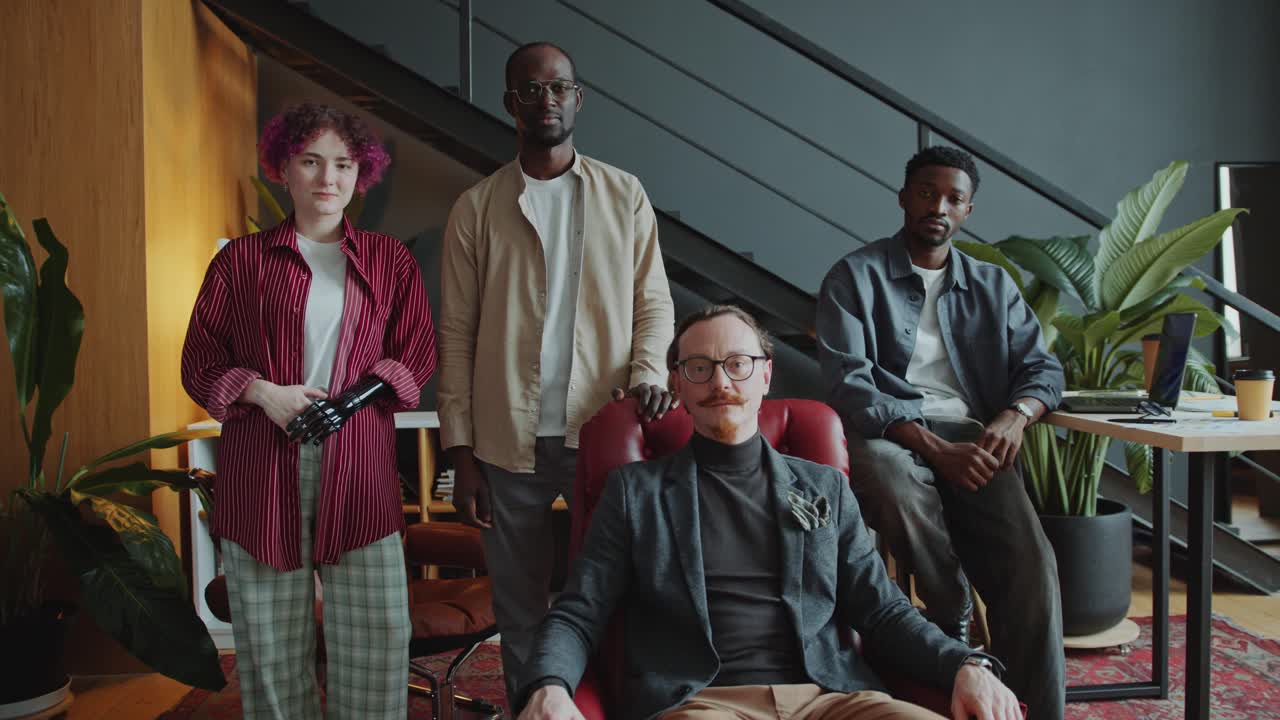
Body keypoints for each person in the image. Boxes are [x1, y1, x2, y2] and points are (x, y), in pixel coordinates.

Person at [517, 305, 1022, 720]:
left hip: (832, 699)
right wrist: (549, 686)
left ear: (766, 374)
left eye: (738, 363)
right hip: (702, 703)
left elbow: (883, 610)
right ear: (679, 384)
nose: (720, 382)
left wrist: (966, 663)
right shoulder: (635, 493)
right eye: (700, 368)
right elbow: (579, 612)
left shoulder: (824, 488)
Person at [181, 102, 438, 720]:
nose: (328, 178)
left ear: (361, 174)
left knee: (376, 635)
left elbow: (416, 354)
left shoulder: (388, 261)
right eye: (311, 161)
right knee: (270, 644)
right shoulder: (239, 263)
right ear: (284, 170)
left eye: (343, 164)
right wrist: (266, 394)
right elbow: (199, 362)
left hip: (360, 468)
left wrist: (348, 403)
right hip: (262, 466)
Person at [438, 41, 676, 698]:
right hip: (504, 441)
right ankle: (532, 711)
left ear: (578, 98)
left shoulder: (624, 195)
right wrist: (460, 455)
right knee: (520, 607)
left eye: (558, 88)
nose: (546, 100)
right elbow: (455, 332)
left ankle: (609, 708)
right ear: (510, 102)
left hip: (602, 428)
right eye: (531, 90)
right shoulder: (477, 208)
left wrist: (651, 372)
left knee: (620, 591)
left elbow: (652, 300)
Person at [815, 146, 1065, 719]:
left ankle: (1031, 709)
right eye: (927, 193)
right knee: (885, 469)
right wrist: (933, 447)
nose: (939, 206)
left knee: (1032, 568)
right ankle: (949, 605)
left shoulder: (993, 286)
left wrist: (1016, 415)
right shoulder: (855, 276)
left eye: (954, 198)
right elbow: (849, 384)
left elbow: (1043, 369)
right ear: (904, 198)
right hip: (893, 434)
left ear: (968, 210)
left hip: (976, 437)